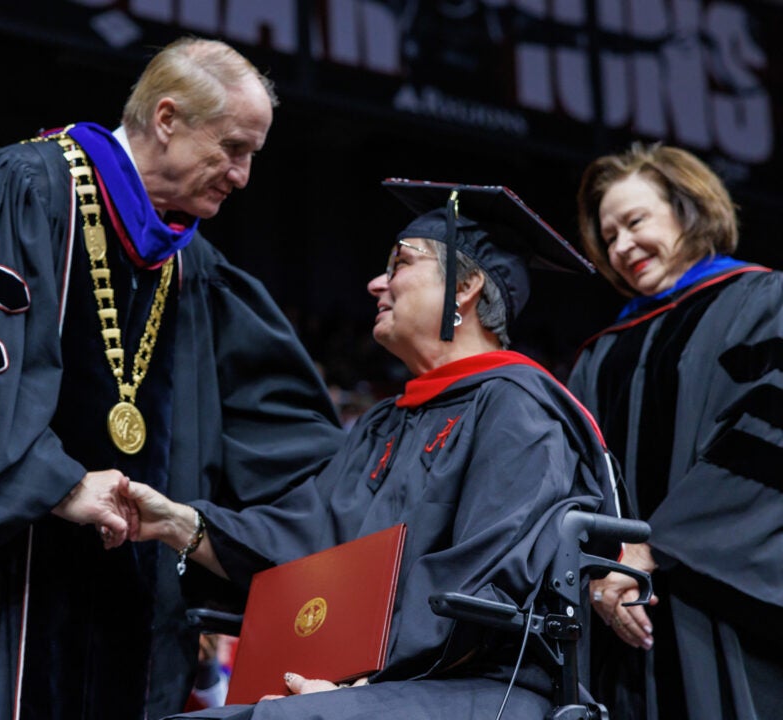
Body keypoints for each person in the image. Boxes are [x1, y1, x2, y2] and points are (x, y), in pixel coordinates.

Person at [0, 37, 344, 719]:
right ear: (167, 118)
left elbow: (284, 445)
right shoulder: (23, 190)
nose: (243, 175)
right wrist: (60, 485)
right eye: (231, 148)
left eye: (252, 154)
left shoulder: (195, 271)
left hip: (127, 623)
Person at [120, 180, 621, 719]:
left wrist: (364, 684)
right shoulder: (384, 423)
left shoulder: (521, 409)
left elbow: (487, 582)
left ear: (465, 286)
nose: (376, 283)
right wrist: (178, 522)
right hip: (383, 690)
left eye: (400, 263)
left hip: (480, 689)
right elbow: (303, 537)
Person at [569, 143, 783, 719]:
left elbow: (769, 441)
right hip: (623, 615)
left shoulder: (764, 302)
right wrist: (603, 573)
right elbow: (579, 482)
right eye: (609, 237)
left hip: (728, 605)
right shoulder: (600, 354)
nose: (622, 247)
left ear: (689, 209)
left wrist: (657, 545)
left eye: (635, 221)